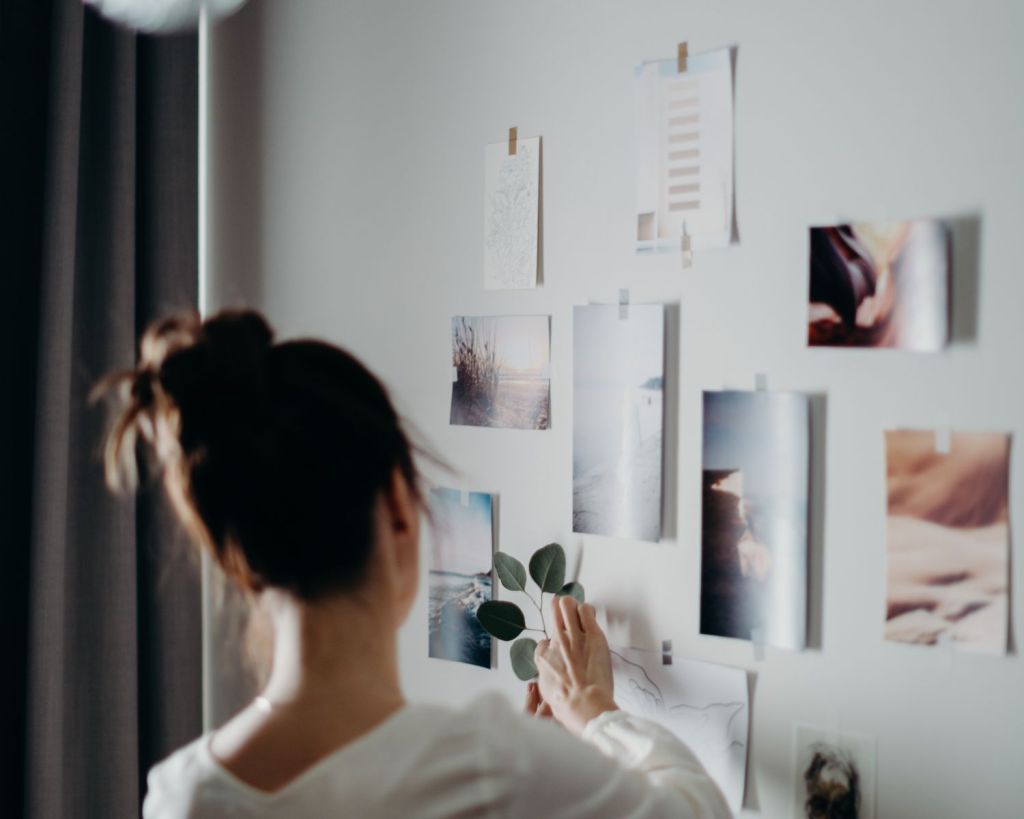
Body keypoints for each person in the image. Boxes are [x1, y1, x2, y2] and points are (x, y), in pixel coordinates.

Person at [99, 308, 731, 818]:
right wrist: (594, 709)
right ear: (399, 510)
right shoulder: (491, 767)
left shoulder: (181, 797)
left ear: (238, 560)